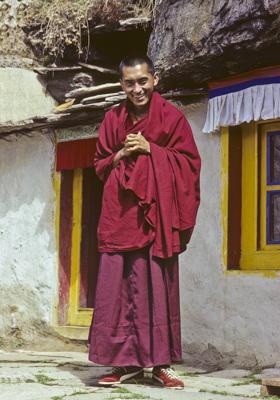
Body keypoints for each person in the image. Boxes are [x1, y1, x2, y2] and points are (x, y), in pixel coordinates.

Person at [88, 55, 201, 389]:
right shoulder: (112, 120)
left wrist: (152, 148)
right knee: (117, 290)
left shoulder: (172, 118)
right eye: (129, 83)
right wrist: (122, 154)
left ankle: (160, 365)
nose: (136, 89)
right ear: (121, 84)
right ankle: (122, 364)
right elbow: (99, 165)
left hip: (156, 219)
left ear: (155, 79)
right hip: (120, 216)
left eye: (142, 81)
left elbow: (190, 164)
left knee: (156, 289)